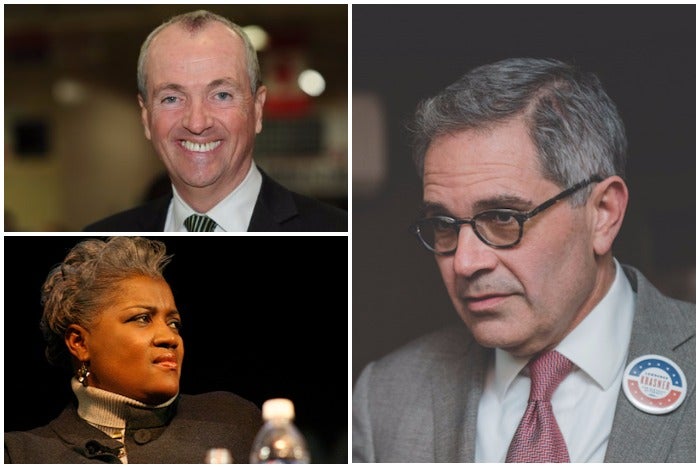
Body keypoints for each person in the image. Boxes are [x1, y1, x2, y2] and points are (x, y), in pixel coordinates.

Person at [352, 58, 695, 462]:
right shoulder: (386, 396)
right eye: (444, 224)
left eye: (502, 218)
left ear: (602, 213)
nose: (464, 262)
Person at [83, 10, 347, 232]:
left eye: (221, 95)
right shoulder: (97, 245)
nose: (197, 123)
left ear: (257, 109)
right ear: (145, 116)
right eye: (172, 98)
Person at [4, 236, 262, 463]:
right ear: (79, 343)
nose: (169, 337)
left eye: (174, 323)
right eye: (142, 318)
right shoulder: (19, 454)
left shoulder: (234, 423)